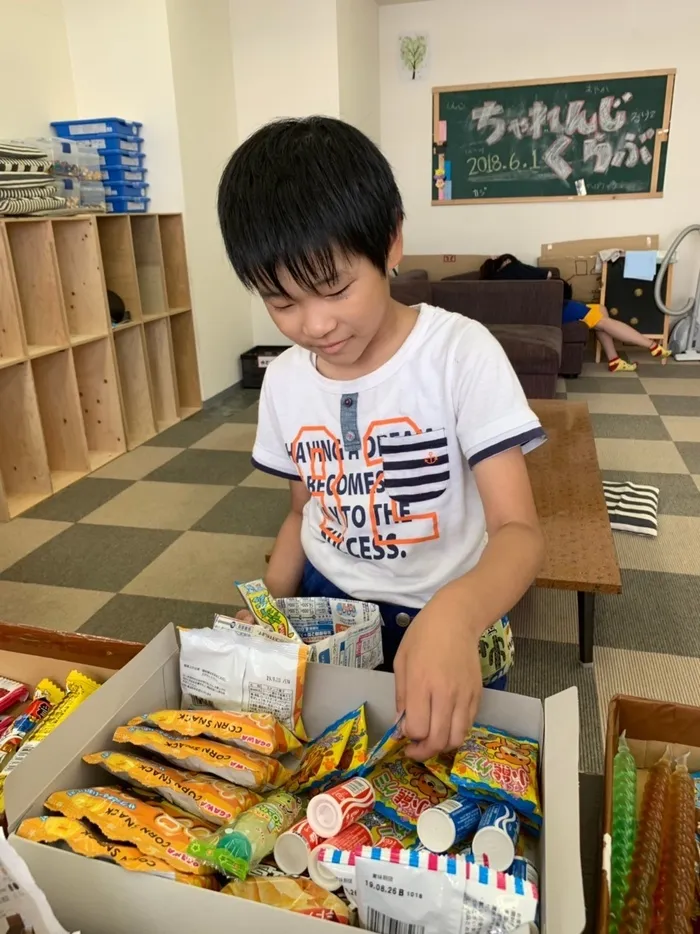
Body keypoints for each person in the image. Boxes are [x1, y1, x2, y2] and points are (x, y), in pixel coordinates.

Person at [218, 117, 545, 761]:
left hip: (453, 612)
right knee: (327, 783)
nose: (314, 324)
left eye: (336, 288)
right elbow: (302, 511)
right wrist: (267, 613)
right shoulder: (284, 381)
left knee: (442, 789)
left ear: (392, 241)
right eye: (280, 303)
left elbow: (520, 533)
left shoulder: (459, 355)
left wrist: (455, 616)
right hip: (326, 612)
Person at [479, 254, 672, 372]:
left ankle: (614, 360)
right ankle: (651, 345)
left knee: (601, 311)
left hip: (551, 309)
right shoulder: (514, 268)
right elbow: (546, 276)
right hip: (558, 308)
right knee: (602, 321)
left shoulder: (496, 283)